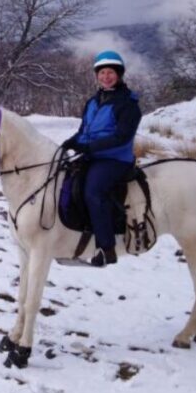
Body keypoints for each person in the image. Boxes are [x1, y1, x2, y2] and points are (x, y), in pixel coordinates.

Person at [61, 50, 142, 267]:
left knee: (93, 192)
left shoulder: (128, 104)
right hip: (91, 155)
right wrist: (69, 143)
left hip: (115, 160)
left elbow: (122, 137)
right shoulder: (92, 102)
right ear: (97, 75)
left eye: (111, 72)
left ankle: (107, 248)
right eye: (102, 72)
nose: (106, 76)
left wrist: (89, 147)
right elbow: (83, 131)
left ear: (119, 74)